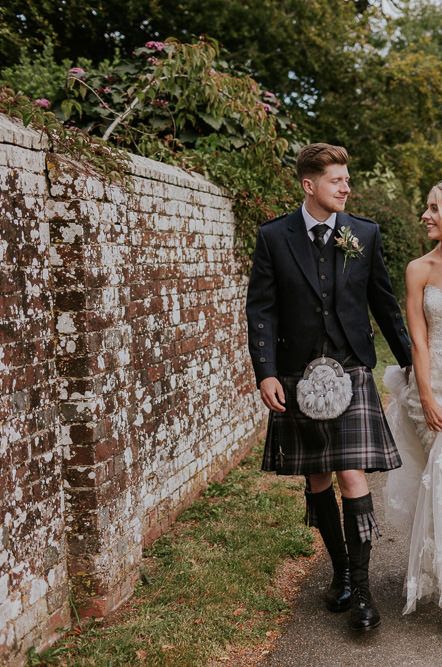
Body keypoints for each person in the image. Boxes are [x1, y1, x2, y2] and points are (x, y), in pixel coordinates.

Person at [246, 143, 412, 631]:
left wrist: (413, 366)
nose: (346, 188)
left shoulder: (365, 233)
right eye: (337, 180)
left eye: (346, 180)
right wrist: (265, 371)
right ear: (309, 184)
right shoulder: (274, 237)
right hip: (297, 374)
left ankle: (361, 591)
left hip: (352, 368)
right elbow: (261, 309)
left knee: (352, 476)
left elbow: (384, 304)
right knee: (317, 478)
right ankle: (339, 571)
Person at [384, 182, 442, 615]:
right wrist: (425, 395)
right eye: (426, 207)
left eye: (434, 208)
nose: (425, 215)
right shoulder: (418, 269)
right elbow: (418, 341)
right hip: (433, 382)